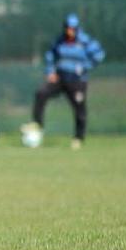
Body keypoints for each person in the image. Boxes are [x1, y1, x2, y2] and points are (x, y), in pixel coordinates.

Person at [21, 13, 106, 150]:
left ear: (77, 29)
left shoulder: (85, 41)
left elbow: (99, 55)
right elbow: (50, 55)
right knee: (41, 93)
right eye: (67, 28)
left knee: (79, 109)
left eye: (72, 28)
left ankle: (78, 138)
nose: (69, 31)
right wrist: (50, 71)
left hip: (77, 80)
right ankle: (38, 124)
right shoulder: (60, 41)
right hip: (60, 77)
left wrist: (84, 67)